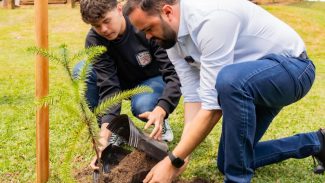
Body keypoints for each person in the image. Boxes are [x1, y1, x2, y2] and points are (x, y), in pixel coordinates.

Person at [124, 0, 325, 182]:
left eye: (149, 28)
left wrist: (172, 160)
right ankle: (317, 142)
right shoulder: (170, 38)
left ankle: (237, 180)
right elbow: (194, 96)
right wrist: (182, 153)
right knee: (229, 160)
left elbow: (212, 106)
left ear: (167, 12)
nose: (149, 37)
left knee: (228, 81)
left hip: (293, 70)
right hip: (250, 85)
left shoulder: (211, 18)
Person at [76, 0, 182, 170]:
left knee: (142, 105)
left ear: (119, 9)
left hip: (150, 79)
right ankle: (113, 132)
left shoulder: (142, 23)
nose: (103, 29)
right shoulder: (94, 40)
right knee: (81, 71)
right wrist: (104, 133)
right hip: (120, 80)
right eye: (96, 25)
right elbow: (109, 86)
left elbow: (173, 73)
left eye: (106, 21)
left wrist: (163, 106)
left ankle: (159, 118)